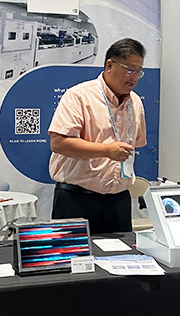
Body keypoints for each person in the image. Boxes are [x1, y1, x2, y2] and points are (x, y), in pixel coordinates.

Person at [48, 38, 147, 234]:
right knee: (74, 254)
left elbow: (138, 142)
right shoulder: (79, 96)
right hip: (77, 199)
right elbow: (58, 143)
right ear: (110, 65)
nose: (134, 77)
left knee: (121, 253)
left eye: (139, 72)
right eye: (129, 70)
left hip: (118, 201)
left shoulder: (135, 102)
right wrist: (106, 150)